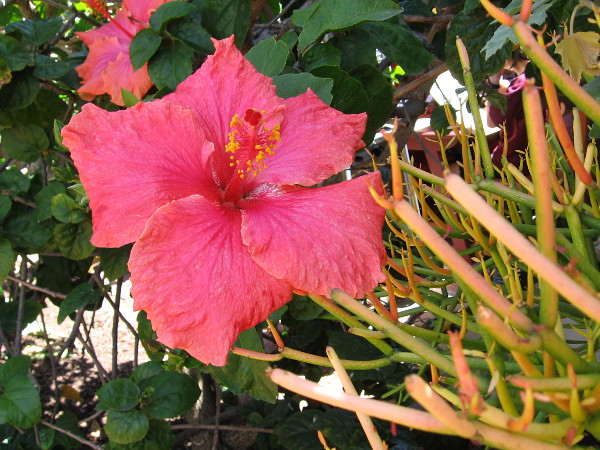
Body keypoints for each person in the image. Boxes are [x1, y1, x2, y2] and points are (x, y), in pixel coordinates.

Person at [485, 51, 530, 170]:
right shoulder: (536, 76)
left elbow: (491, 122)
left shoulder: (522, 82)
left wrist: (493, 84)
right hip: (538, 157)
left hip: (514, 161)